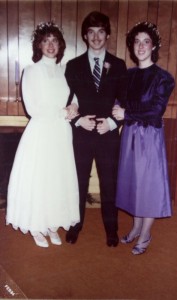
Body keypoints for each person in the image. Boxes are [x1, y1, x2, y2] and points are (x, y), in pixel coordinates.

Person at [6, 21, 80, 248]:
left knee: (57, 179)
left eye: (54, 41)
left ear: (60, 45)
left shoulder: (63, 70)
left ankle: (51, 223)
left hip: (61, 133)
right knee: (40, 178)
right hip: (41, 132)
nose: (50, 45)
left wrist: (74, 107)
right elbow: (33, 109)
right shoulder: (31, 71)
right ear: (39, 45)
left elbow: (74, 95)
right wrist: (61, 112)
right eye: (46, 41)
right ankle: (37, 225)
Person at [65, 11, 127, 247]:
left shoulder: (119, 65)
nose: (96, 37)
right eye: (91, 32)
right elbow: (66, 101)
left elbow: (125, 102)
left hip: (108, 134)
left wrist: (112, 123)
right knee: (78, 181)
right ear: (85, 36)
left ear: (108, 35)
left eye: (101, 31)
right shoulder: (73, 66)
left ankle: (111, 229)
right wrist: (78, 120)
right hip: (81, 133)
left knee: (109, 182)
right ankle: (75, 224)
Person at [112, 21, 175, 255]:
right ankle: (137, 226)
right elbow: (121, 102)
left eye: (145, 41)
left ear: (153, 46)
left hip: (149, 137)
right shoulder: (127, 76)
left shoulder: (163, 78)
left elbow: (155, 110)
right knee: (133, 183)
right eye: (137, 42)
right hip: (130, 135)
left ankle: (146, 234)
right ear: (132, 46)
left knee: (147, 186)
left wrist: (127, 112)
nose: (141, 46)